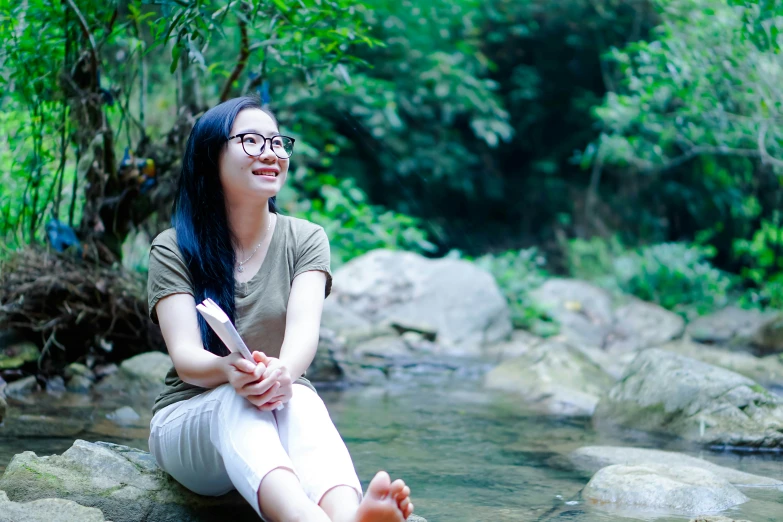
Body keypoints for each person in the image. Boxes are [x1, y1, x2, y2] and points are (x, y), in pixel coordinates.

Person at [146, 96, 414, 522]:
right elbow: (187, 360)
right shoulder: (173, 247)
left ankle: (349, 515)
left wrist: (281, 374)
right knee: (236, 401)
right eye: (251, 141)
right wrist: (232, 372)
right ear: (210, 155)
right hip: (189, 424)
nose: (271, 153)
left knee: (303, 400)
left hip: (278, 405)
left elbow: (303, 337)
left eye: (277, 142)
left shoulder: (306, 239)